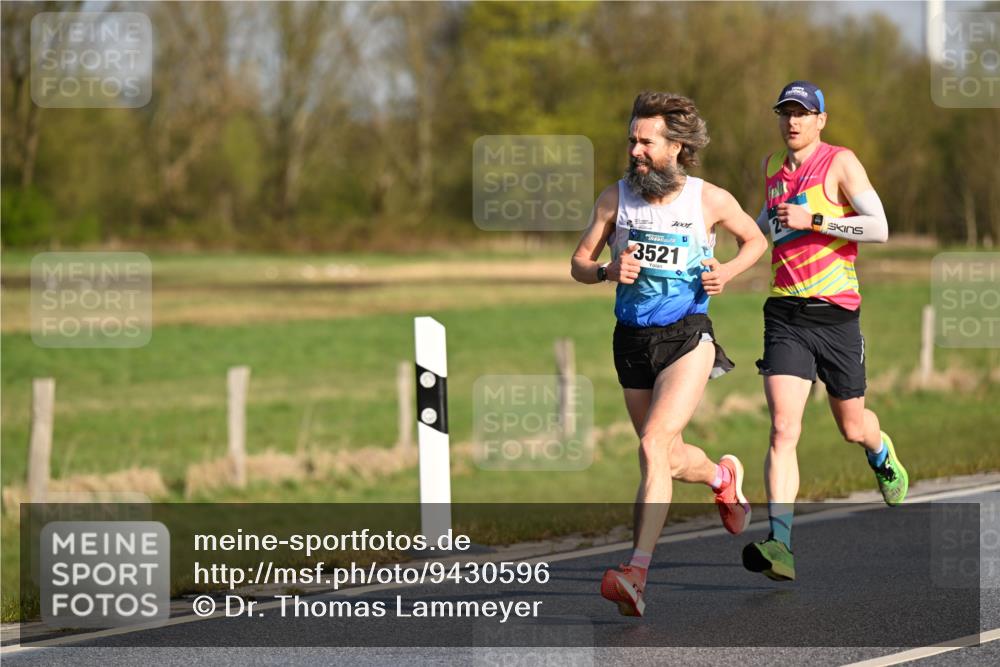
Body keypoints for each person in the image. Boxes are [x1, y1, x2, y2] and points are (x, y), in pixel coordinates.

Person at [571, 91, 767, 617]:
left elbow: (755, 241)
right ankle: (723, 478)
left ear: (676, 146)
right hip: (631, 340)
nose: (634, 150)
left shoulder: (708, 200)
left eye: (645, 141)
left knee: (653, 445)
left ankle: (636, 573)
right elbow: (578, 262)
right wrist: (605, 272)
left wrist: (726, 272)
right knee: (669, 456)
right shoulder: (615, 199)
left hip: (687, 337)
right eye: (631, 140)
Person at [742, 81, 908, 582]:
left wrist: (815, 219)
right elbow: (765, 225)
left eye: (801, 113)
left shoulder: (841, 162)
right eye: (784, 113)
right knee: (782, 429)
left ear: (821, 120)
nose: (791, 122)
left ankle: (881, 454)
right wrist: (727, 240)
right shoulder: (772, 168)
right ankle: (781, 545)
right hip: (786, 314)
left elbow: (879, 227)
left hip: (836, 315)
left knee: (851, 427)